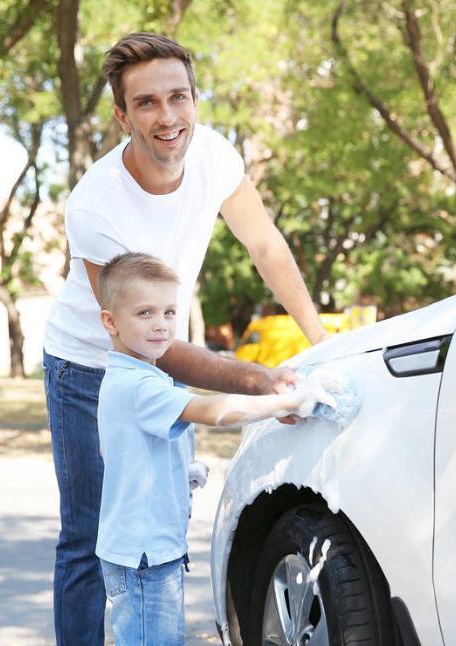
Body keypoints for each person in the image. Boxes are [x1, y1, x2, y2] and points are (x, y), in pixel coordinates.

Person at [42, 32, 330, 646]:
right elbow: (151, 345)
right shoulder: (96, 207)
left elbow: (266, 247)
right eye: (146, 103)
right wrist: (259, 380)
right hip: (90, 366)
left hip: (157, 346)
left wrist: (319, 341)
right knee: (90, 535)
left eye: (179, 97)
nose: (167, 117)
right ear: (121, 116)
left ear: (195, 99)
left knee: (159, 522)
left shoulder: (215, 157)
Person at [95, 252, 334, 645]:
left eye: (170, 312)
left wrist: (176, 475)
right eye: (145, 313)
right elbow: (215, 411)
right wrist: (286, 403)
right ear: (111, 321)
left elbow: (120, 453)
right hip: (144, 558)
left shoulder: (136, 376)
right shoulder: (138, 385)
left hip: (148, 552)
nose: (161, 325)